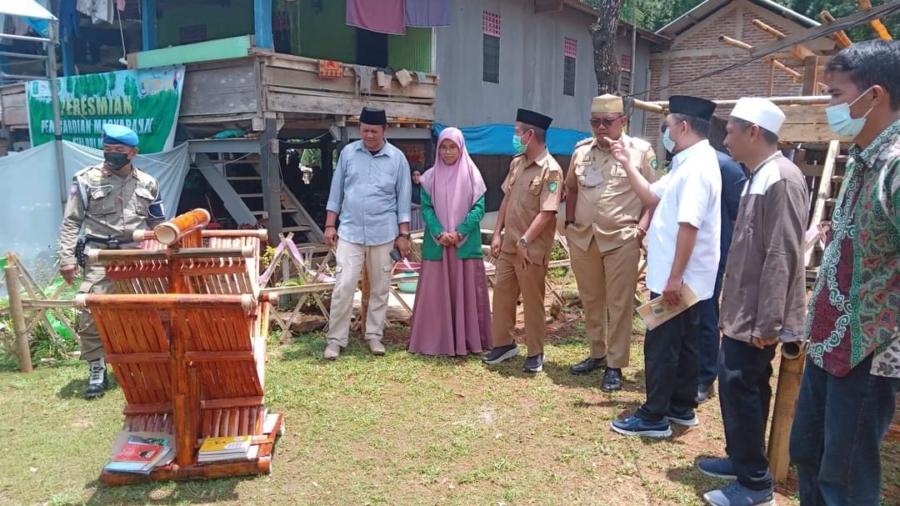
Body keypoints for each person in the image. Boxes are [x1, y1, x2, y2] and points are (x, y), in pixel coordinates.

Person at [790, 40, 900, 506]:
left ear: (872, 96)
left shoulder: (895, 166)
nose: (829, 106)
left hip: (867, 350)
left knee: (846, 478)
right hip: (829, 339)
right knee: (809, 455)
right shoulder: (862, 159)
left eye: (835, 94)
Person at [696, 98, 808, 506]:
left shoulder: (782, 178)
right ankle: (743, 459)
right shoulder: (760, 174)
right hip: (743, 310)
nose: (724, 137)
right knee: (744, 388)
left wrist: (769, 321)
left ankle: (755, 483)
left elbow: (782, 254)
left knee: (740, 386)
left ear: (753, 133)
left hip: (758, 315)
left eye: (730, 130)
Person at [609, 95, 722, 438]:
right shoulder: (686, 162)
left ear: (683, 127)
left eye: (667, 126)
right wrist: (628, 163)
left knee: (661, 344)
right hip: (684, 277)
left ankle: (654, 415)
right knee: (685, 342)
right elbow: (651, 197)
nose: (665, 133)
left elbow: (689, 225)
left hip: (679, 278)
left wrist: (674, 277)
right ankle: (680, 406)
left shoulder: (698, 167)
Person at [58, 124, 165, 399]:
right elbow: (71, 222)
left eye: (119, 150)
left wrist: (168, 248)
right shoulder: (85, 180)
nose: (112, 155)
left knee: (144, 312)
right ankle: (97, 368)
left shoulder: (148, 183)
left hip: (136, 257)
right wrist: (67, 258)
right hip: (99, 256)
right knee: (91, 311)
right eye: (108, 149)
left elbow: (158, 223)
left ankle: (143, 365)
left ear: (133, 153)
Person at [564, 94, 659, 391]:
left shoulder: (641, 152)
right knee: (591, 299)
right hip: (584, 238)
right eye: (595, 122)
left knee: (619, 304)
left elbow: (655, 197)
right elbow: (572, 189)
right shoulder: (581, 151)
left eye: (607, 122)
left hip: (622, 239)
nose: (600, 128)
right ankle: (597, 353)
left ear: (622, 122)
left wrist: (641, 230)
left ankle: (615, 365)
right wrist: (569, 223)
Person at [323, 107, 413, 360]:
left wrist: (403, 234)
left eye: (374, 131)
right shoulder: (348, 154)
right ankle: (335, 339)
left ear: (385, 130)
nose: (369, 135)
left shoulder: (397, 159)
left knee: (380, 287)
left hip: (384, 233)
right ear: (359, 129)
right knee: (343, 286)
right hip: (350, 231)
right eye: (364, 130)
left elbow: (403, 199)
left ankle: (374, 335)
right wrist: (330, 225)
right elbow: (336, 192)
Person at [482, 108, 562, 373]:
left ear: (530, 134)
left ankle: (535, 351)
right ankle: (504, 344)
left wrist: (526, 241)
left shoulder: (551, 170)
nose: (514, 136)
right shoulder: (517, 163)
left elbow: (548, 212)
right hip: (509, 245)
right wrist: (496, 233)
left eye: (517, 131)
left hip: (531, 248)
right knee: (502, 295)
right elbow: (506, 198)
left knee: (532, 299)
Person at [408, 128, 492, 356]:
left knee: (465, 292)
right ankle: (435, 340)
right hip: (438, 245)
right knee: (436, 295)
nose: (447, 152)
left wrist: (459, 233)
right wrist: (439, 233)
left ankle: (467, 340)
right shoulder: (429, 178)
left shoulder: (473, 175)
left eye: (452, 147)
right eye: (443, 147)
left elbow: (479, 208)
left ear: (461, 147)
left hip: (463, 246)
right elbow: (426, 209)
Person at [696, 123, 747, 404]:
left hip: (709, 255)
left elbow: (739, 217)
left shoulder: (725, 167)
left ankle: (705, 376)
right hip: (678, 255)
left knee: (705, 314)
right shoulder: (682, 164)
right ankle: (685, 366)